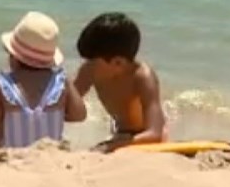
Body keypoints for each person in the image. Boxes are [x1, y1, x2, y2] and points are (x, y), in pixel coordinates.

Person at [0, 11, 87, 149]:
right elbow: (79, 115)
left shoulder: (2, 83)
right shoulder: (61, 82)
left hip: (13, 154)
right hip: (51, 156)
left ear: (14, 58)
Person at [72, 12, 169, 153]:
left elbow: (155, 133)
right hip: (121, 133)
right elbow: (67, 105)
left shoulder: (142, 77)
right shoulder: (90, 70)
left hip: (146, 136)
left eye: (94, 60)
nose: (88, 64)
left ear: (118, 62)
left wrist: (111, 145)